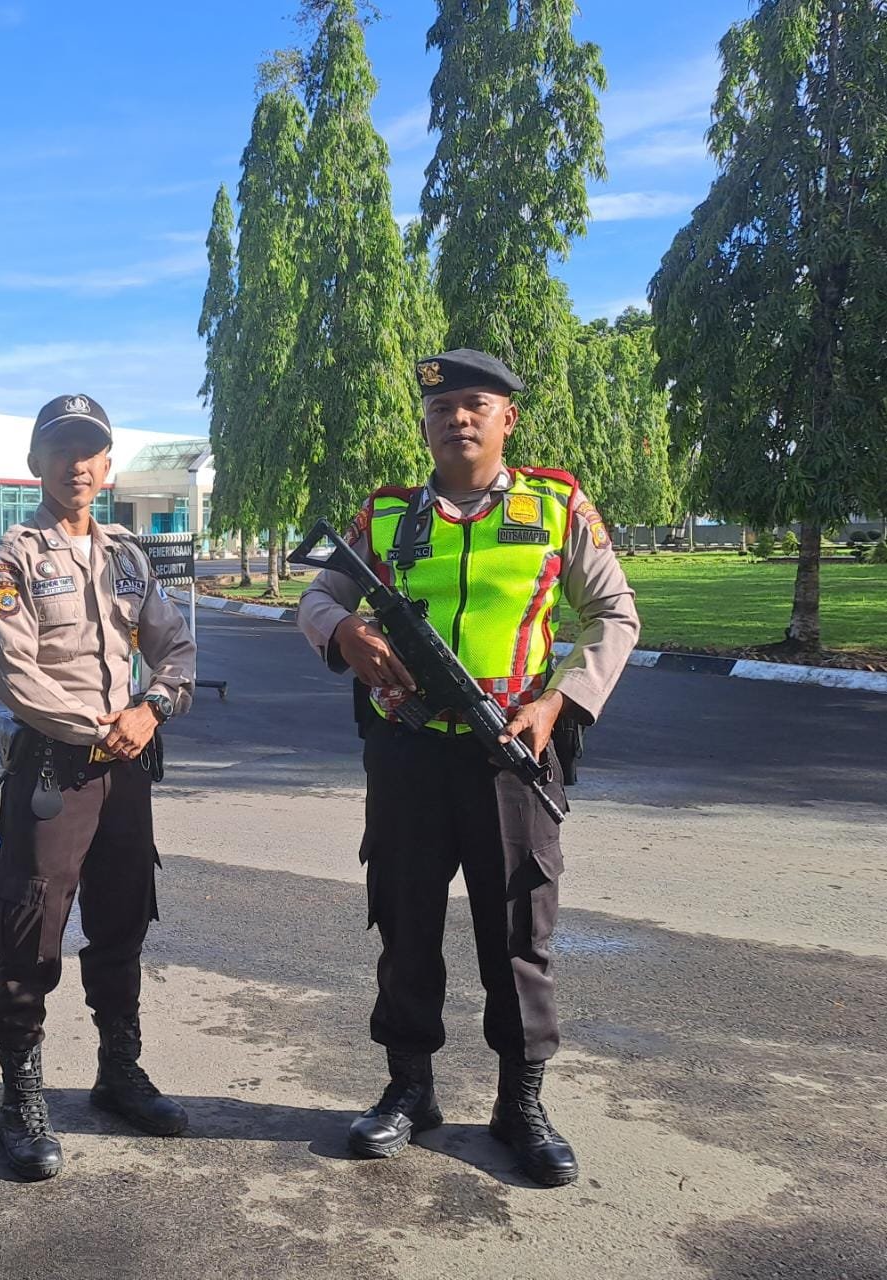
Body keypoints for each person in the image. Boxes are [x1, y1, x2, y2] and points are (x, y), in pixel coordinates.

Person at [298, 350, 640, 1187]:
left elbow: (613, 614)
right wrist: (342, 631)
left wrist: (557, 703)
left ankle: (518, 1103)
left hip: (510, 750)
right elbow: (318, 595)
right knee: (405, 919)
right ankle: (408, 1090)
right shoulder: (385, 514)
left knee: (519, 932)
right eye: (440, 407)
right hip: (408, 751)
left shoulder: (554, 504)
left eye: (474, 405)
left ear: (506, 420)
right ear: (424, 423)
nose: (456, 418)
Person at [0, 393, 196, 1180]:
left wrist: (152, 707)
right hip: (54, 767)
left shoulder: (128, 557)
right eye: (61, 449)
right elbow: (14, 674)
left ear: (107, 467)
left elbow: (176, 650)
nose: (76, 463)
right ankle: (21, 1098)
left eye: (89, 450)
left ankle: (118, 1073)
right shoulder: (16, 557)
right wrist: (104, 727)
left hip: (127, 768)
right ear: (35, 463)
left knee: (121, 921)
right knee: (30, 930)